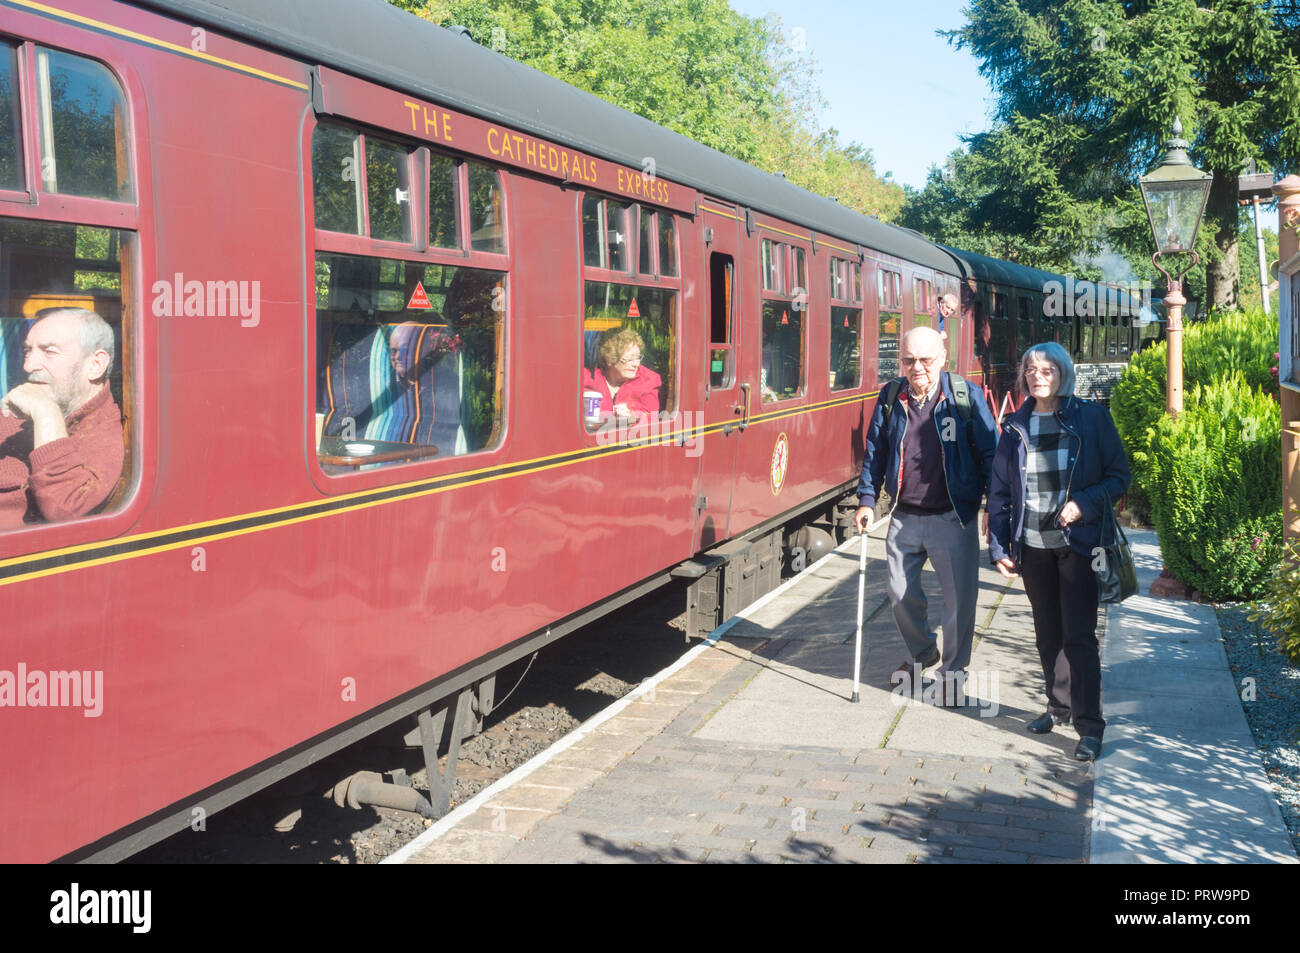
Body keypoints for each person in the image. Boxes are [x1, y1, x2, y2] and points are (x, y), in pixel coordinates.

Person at [987, 342, 1130, 762]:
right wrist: (998, 545)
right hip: (1033, 547)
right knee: (1047, 633)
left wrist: (1082, 503)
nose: (1037, 376)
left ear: (1063, 373)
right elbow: (998, 493)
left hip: (1079, 546)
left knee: (1079, 637)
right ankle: (1058, 705)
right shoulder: (1015, 426)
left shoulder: (1091, 418)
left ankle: (1089, 727)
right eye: (1030, 369)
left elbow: (1119, 476)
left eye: (1047, 369)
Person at [854, 326, 998, 705]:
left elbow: (991, 456)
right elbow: (875, 453)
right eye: (908, 360)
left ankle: (952, 675)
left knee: (959, 603)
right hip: (904, 515)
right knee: (899, 594)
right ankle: (922, 653)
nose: (916, 367)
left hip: (953, 515)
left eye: (925, 360)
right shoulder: (890, 397)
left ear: (942, 360)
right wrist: (867, 500)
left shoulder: (965, 397)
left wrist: (991, 507)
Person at [0, 308, 124, 530]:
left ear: (95, 365)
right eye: (28, 351)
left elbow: (66, 509)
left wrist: (46, 412)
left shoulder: (105, 431)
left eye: (50, 352)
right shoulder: (17, 409)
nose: (28, 366)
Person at [581, 328, 661, 423]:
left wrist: (632, 416)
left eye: (638, 357)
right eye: (629, 359)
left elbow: (652, 417)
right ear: (610, 359)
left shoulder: (648, 379)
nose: (636, 364)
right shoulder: (588, 378)